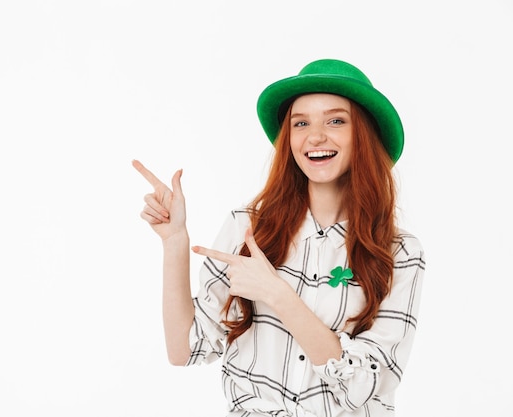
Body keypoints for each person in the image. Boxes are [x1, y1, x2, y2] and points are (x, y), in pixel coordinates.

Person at [132, 58, 425, 417]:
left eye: (335, 120)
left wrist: (276, 294)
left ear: (363, 136)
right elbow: (184, 349)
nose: (315, 136)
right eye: (301, 123)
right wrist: (174, 239)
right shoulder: (248, 228)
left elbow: (362, 387)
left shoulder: (399, 253)